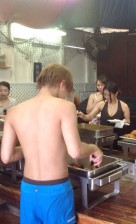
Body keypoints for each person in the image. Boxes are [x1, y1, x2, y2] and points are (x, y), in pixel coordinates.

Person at [0, 63, 103, 224]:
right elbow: (75, 151)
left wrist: (30, 146)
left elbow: (7, 156)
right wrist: (94, 148)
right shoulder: (65, 107)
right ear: (62, 83)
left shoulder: (14, 111)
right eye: (66, 91)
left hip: (28, 190)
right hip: (55, 191)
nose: (65, 96)